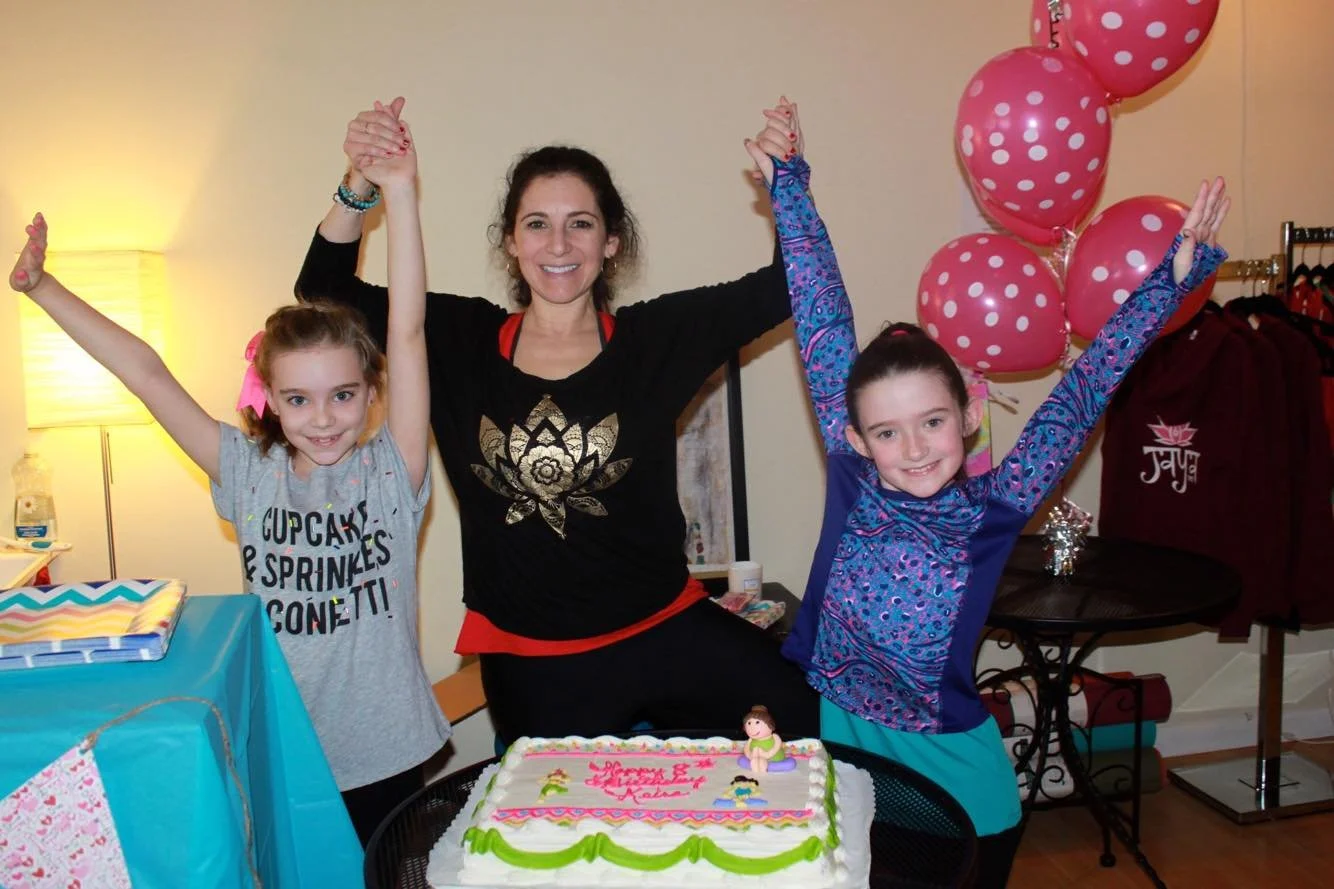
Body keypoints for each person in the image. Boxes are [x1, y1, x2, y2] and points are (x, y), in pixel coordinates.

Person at [751, 110, 1229, 887]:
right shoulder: (851, 474)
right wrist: (792, 185)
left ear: (969, 415)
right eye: (888, 431)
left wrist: (1165, 286)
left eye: (932, 421)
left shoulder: (995, 506)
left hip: (959, 793)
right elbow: (821, 313)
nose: (912, 448)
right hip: (849, 769)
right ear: (856, 434)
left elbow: (1082, 390)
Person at [294, 97, 819, 743]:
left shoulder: (656, 338)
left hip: (664, 629)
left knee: (803, 720)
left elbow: (794, 283)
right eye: (537, 224)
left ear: (611, 240)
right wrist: (359, 180)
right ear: (512, 242)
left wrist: (786, 185)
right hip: (533, 660)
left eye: (581, 223)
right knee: (559, 832)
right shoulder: (459, 341)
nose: (559, 244)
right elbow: (322, 289)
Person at [8, 120, 450, 846]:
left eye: (343, 394)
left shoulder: (390, 474)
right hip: (279, 745)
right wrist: (43, 287)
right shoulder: (248, 472)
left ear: (373, 393)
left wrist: (398, 190)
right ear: (270, 400)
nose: (324, 418)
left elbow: (406, 331)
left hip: (386, 754)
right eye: (299, 399)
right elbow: (146, 373)